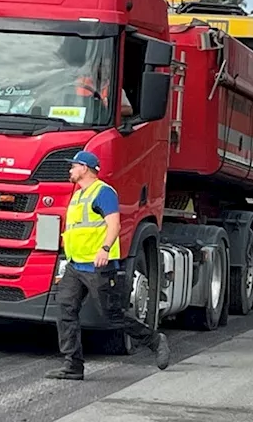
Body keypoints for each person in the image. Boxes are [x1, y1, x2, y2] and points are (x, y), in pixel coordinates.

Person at [46, 151, 170, 380]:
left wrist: (104, 249)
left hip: (98, 266)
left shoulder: (103, 192)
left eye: (73, 166)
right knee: (65, 310)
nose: (70, 170)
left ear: (84, 167)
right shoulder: (78, 195)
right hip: (76, 266)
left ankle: (155, 340)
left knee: (111, 315)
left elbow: (114, 224)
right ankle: (73, 365)